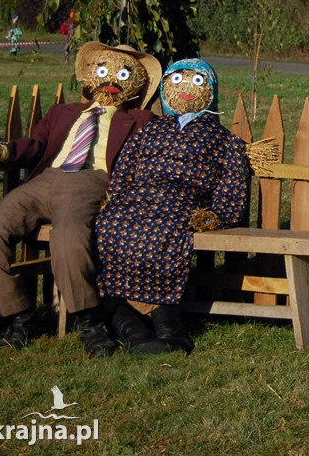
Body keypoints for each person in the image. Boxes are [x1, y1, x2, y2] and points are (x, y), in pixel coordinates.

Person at [0, 42, 161, 357]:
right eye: (104, 70)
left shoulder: (140, 120)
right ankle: (16, 315)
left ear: (135, 82)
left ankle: (89, 322)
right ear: (91, 75)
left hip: (91, 180)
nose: (111, 78)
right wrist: (6, 151)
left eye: (122, 74)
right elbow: (36, 144)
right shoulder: (64, 112)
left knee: (69, 239)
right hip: (46, 178)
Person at [94, 58, 250, 354]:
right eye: (177, 81)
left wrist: (215, 216)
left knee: (163, 232)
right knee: (108, 226)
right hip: (138, 199)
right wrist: (117, 197)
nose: (187, 89)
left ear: (210, 90)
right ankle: (137, 325)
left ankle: (162, 326)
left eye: (197, 81)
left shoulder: (224, 140)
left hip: (182, 201)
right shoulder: (150, 130)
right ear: (166, 89)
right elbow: (126, 167)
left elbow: (232, 182)